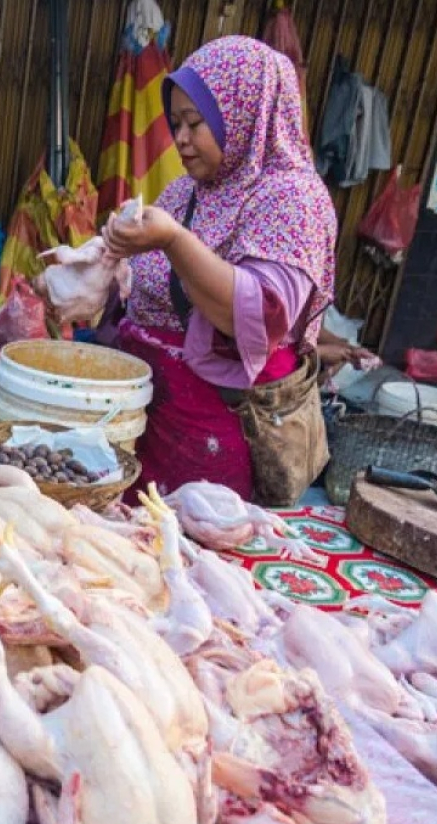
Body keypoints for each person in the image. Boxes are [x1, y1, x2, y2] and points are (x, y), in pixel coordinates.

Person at [92, 36, 337, 501]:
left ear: (245, 116)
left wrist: (173, 241)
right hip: (149, 415)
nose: (180, 139)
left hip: (218, 430)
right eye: (176, 122)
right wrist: (112, 258)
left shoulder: (291, 199)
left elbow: (260, 314)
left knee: (196, 554)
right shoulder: (185, 193)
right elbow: (148, 287)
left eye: (195, 123)